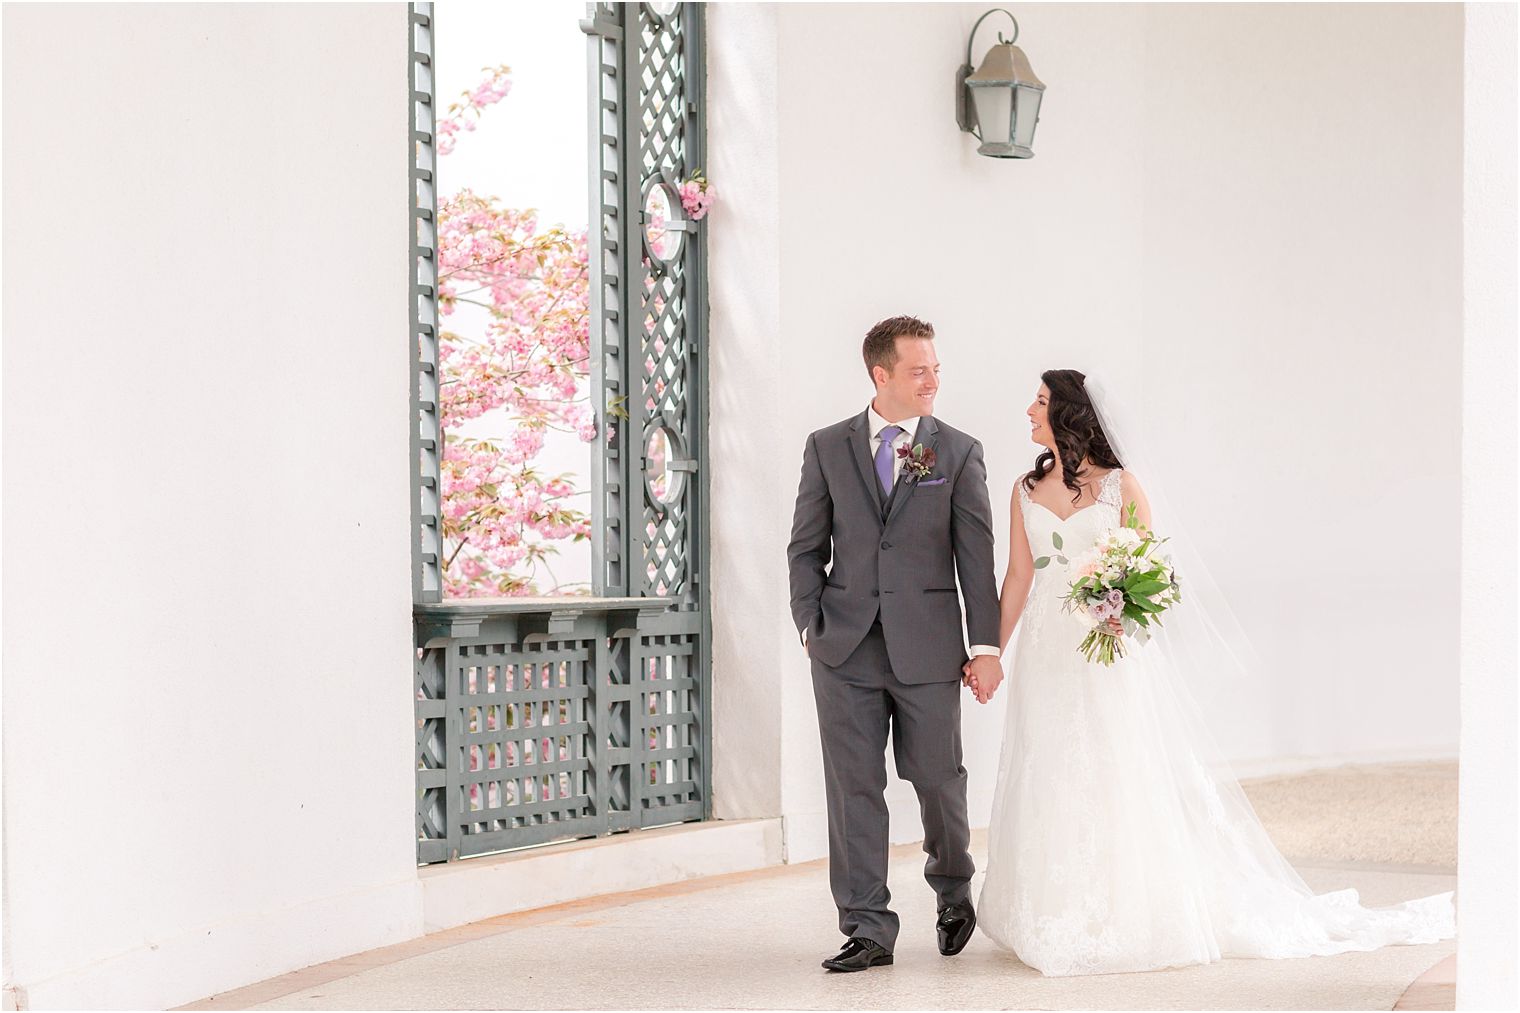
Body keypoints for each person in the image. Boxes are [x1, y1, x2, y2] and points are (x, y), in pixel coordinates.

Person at [969, 368, 1456, 976]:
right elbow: (1018, 578)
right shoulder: (1023, 488)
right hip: (1045, 650)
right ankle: (1045, 907)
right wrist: (988, 651)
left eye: (1039, 402)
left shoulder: (1123, 487)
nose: (1029, 411)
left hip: (1107, 652)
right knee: (1047, 763)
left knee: (1113, 765)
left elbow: (1151, 572)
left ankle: (1120, 909)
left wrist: (1122, 608)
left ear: (1069, 413)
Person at [786, 315, 1003, 972]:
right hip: (844, 648)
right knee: (854, 786)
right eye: (919, 369)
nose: (933, 379)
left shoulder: (953, 452)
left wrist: (985, 645)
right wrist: (809, 622)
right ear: (881, 375)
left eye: (936, 367)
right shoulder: (828, 447)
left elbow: (976, 557)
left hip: (929, 649)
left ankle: (953, 887)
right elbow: (805, 545)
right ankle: (868, 925)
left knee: (938, 779)